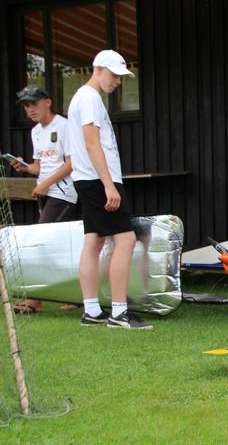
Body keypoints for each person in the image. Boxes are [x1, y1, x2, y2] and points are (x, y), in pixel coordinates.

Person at [66, 49, 151, 330]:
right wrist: (108, 184)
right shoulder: (89, 98)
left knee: (94, 241)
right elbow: (92, 143)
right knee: (125, 240)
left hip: (88, 178)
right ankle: (119, 313)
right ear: (99, 69)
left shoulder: (83, 97)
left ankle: (92, 310)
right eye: (114, 75)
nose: (117, 82)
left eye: (120, 77)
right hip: (97, 180)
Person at [10, 85, 78, 314]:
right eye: (26, 106)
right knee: (64, 246)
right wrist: (25, 167)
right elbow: (39, 167)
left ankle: (35, 300)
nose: (30, 109)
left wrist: (45, 184)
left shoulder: (65, 126)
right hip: (45, 192)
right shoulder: (36, 131)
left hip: (63, 193)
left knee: (40, 241)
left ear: (48, 102)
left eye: (34, 104)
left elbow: (71, 164)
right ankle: (75, 297)